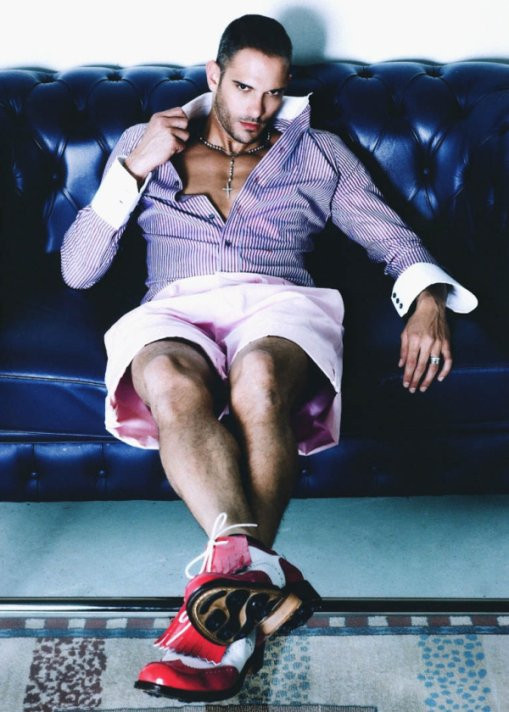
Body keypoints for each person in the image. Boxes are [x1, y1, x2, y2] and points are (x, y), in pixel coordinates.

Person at [60, 14, 477, 702]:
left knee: (257, 379)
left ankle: (225, 604)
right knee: (165, 376)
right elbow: (78, 270)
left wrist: (429, 299)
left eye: (274, 91)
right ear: (214, 75)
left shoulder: (318, 153)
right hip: (175, 306)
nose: (258, 108)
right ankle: (251, 592)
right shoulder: (147, 142)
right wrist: (133, 166)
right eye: (244, 87)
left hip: (278, 305)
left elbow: (390, 238)